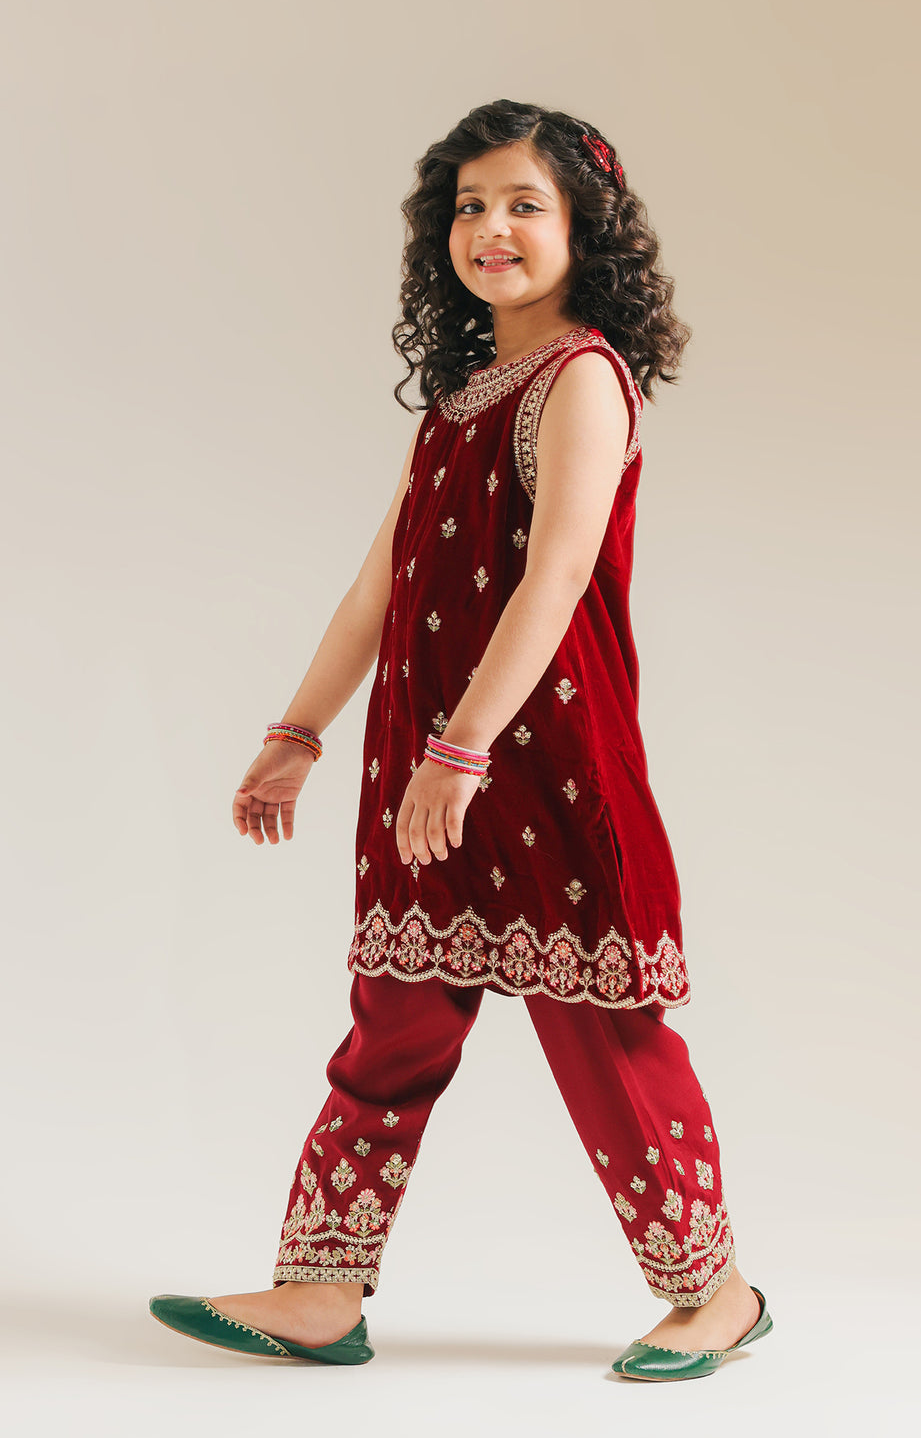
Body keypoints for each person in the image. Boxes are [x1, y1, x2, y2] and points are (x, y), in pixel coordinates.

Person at [149, 99, 773, 1380]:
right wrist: (298, 732)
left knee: (602, 1029)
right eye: (469, 206)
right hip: (431, 761)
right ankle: (320, 1291)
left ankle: (715, 1295)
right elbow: (379, 582)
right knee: (392, 1021)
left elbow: (556, 578)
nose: (491, 228)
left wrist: (462, 749)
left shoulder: (582, 377)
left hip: (539, 761)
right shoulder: (457, 398)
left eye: (523, 204)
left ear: (585, 229)